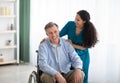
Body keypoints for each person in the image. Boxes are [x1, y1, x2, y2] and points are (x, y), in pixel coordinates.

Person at [60, 10, 98, 83]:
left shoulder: (88, 30)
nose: (75, 21)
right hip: (70, 54)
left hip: (83, 56)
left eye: (78, 20)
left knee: (82, 76)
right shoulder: (70, 25)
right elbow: (58, 35)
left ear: (84, 21)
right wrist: (47, 39)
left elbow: (85, 47)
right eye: (75, 18)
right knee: (69, 75)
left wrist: (72, 44)